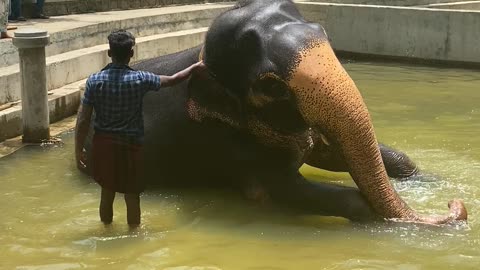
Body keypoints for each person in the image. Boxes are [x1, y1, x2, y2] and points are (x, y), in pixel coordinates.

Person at [75, 29, 205, 227]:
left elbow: (83, 119)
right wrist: (194, 68)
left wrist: (78, 150)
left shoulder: (94, 81)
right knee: (132, 196)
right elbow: (173, 79)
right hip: (130, 145)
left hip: (104, 145)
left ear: (109, 53)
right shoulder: (140, 79)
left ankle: (106, 228)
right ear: (131, 54)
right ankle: (134, 234)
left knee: (107, 193)